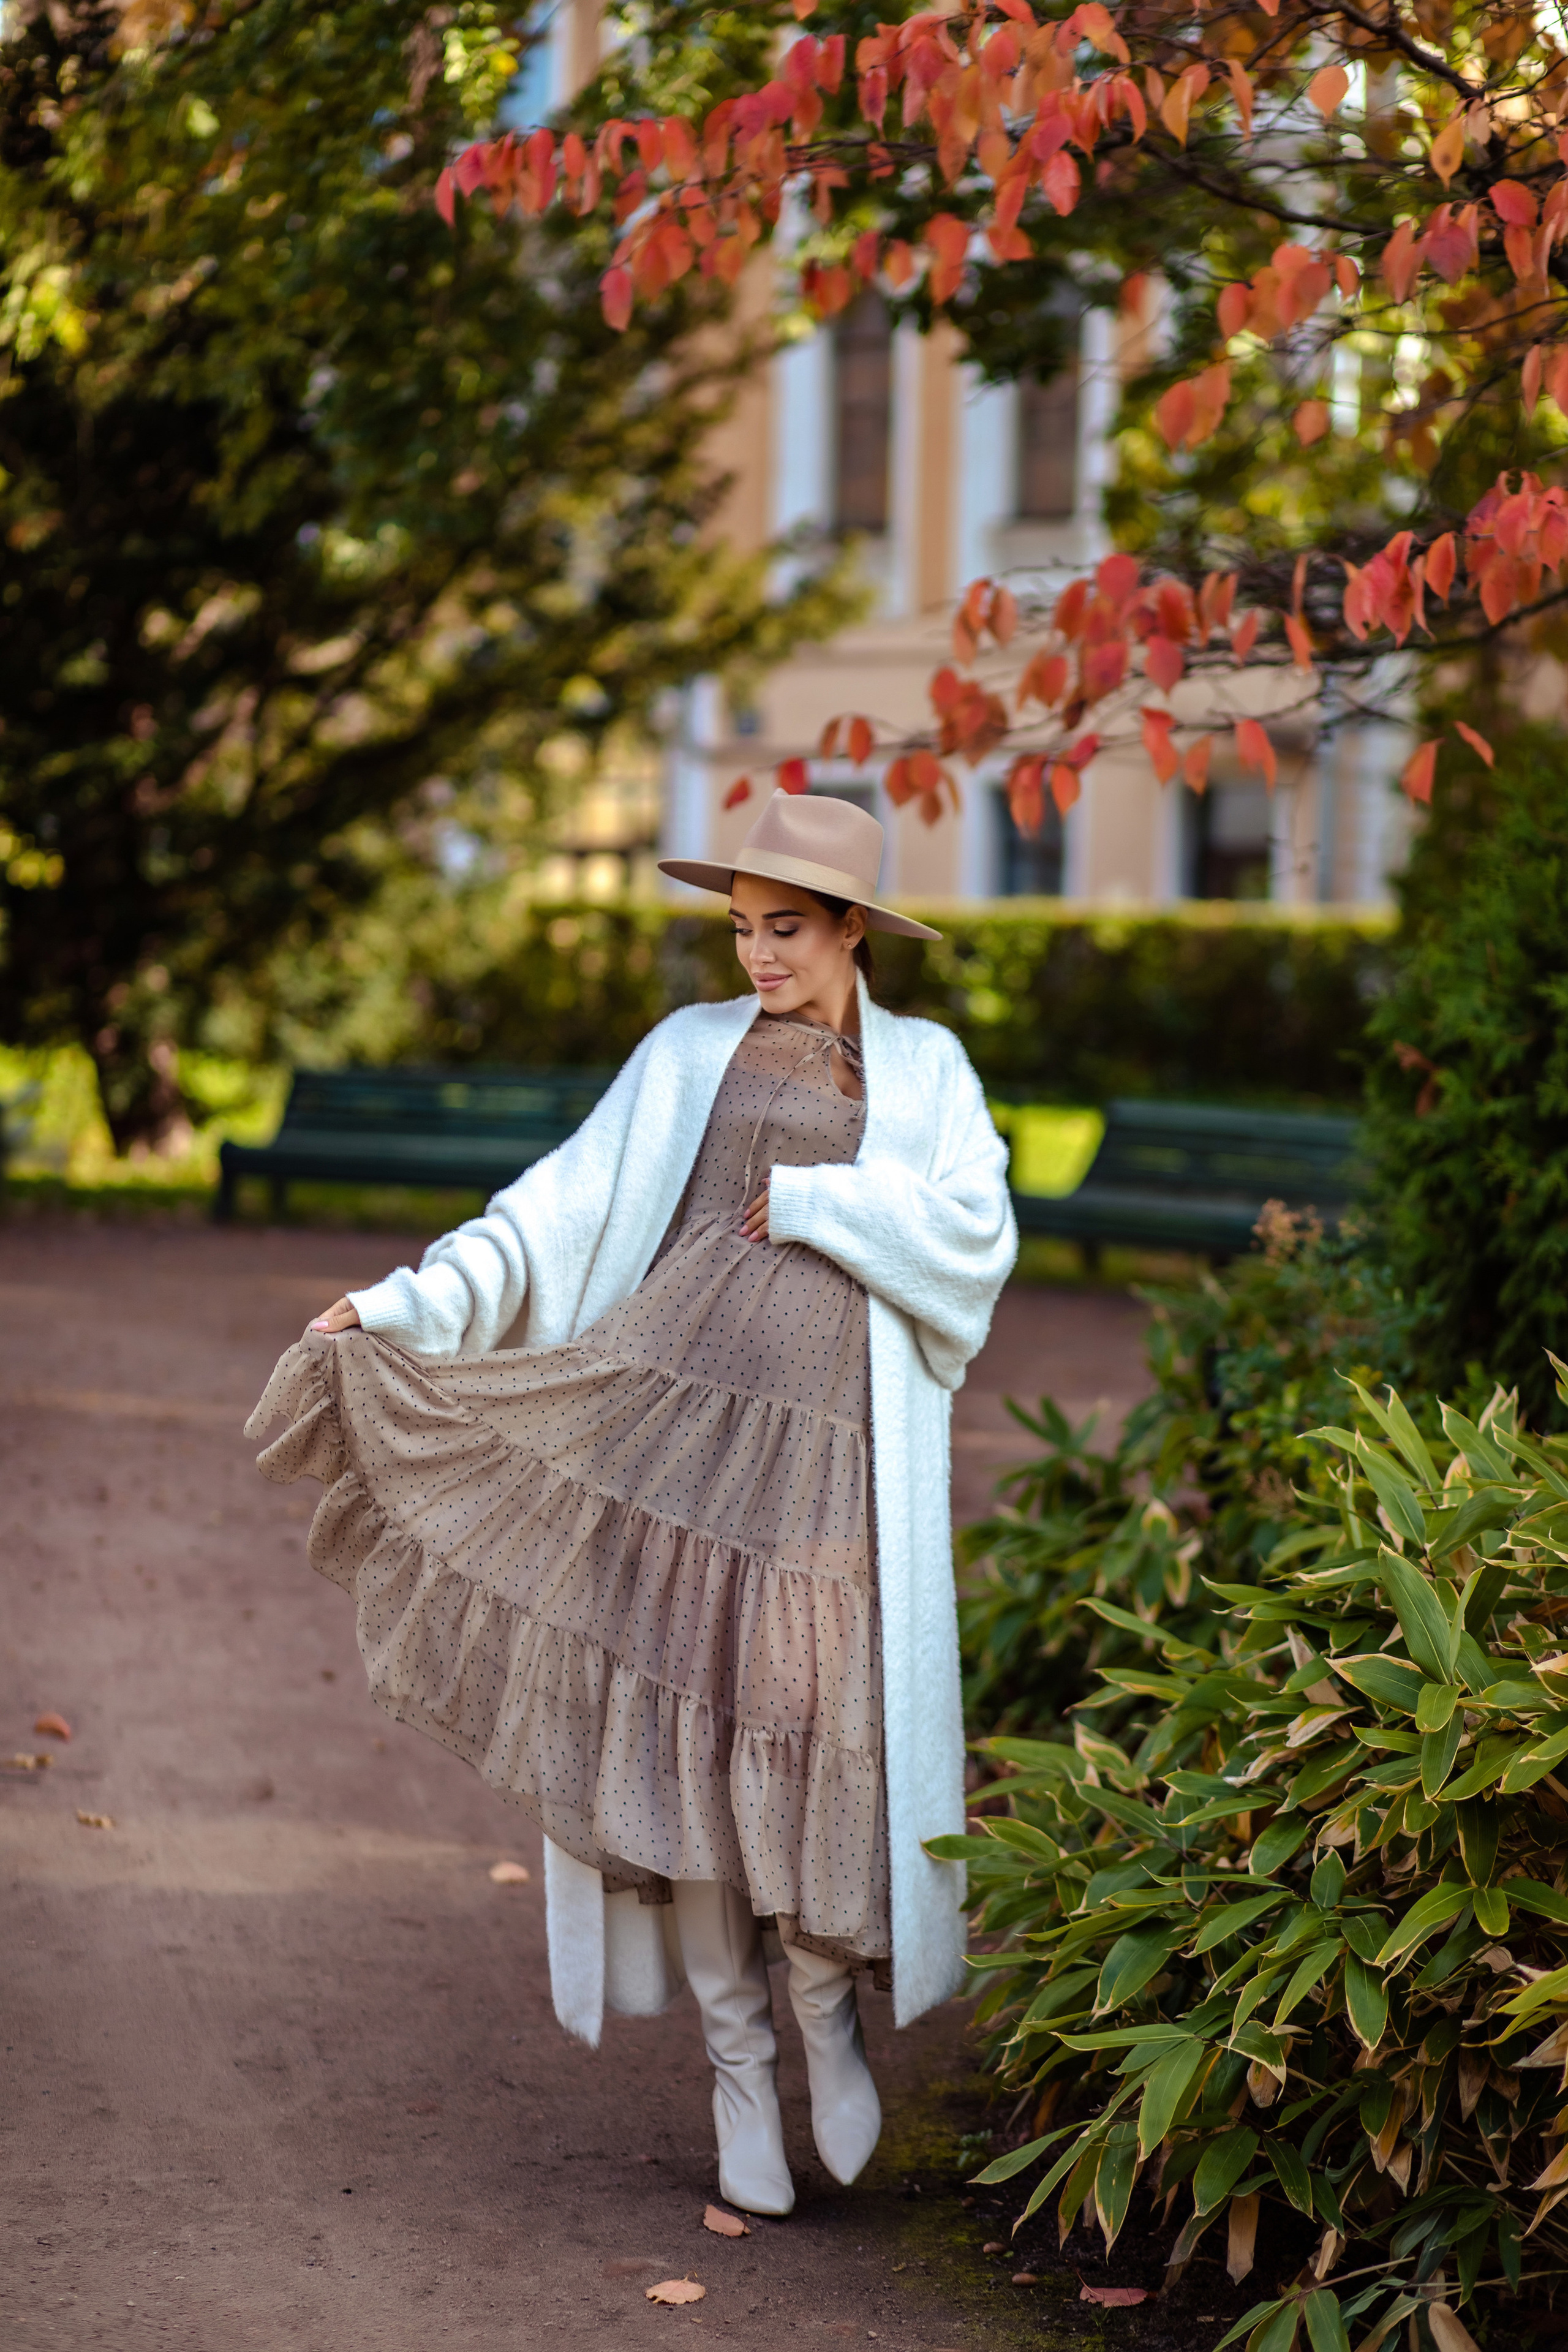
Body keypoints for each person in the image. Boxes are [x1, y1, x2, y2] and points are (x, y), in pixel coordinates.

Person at [246, 790, 1016, 2215]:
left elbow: (976, 1241)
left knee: (800, 1728)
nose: (756, 957)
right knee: (688, 1769)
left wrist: (818, 1206)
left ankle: (826, 2013)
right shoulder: (684, 1054)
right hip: (658, 1446)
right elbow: (549, 1211)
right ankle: (739, 2071)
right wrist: (406, 1303)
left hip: (821, 1472)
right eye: (739, 930)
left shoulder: (930, 1075)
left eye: (784, 930)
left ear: (853, 928)